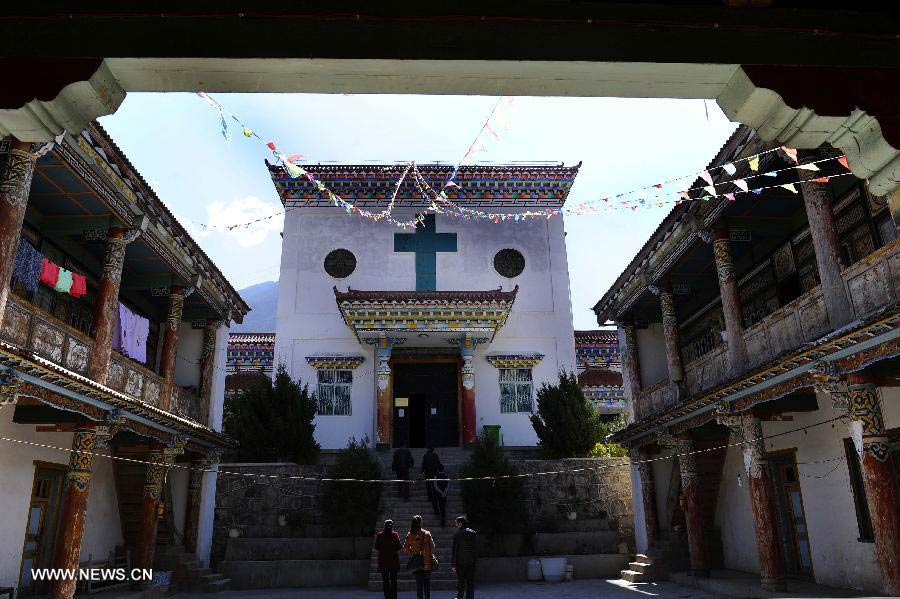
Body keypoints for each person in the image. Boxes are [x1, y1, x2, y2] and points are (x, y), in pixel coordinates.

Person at [403, 515, 436, 599]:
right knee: (427, 585)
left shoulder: (410, 535)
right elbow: (433, 548)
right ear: (420, 523)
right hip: (427, 563)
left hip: (416, 563)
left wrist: (413, 552)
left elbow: (405, 549)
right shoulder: (427, 533)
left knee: (419, 585)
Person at [374, 519, 402, 599]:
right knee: (394, 581)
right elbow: (399, 546)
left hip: (383, 561)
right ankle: (394, 597)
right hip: (393, 561)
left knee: (385, 581)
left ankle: (387, 596)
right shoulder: (395, 534)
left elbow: (377, 547)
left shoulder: (380, 535)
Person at [452, 516, 477, 599]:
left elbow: (455, 550)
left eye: (457, 523)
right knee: (470, 582)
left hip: (460, 562)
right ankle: (470, 597)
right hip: (471, 562)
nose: (456, 525)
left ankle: (460, 597)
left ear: (460, 523)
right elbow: (475, 549)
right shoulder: (473, 533)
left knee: (461, 581)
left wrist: (453, 564)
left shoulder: (457, 534)